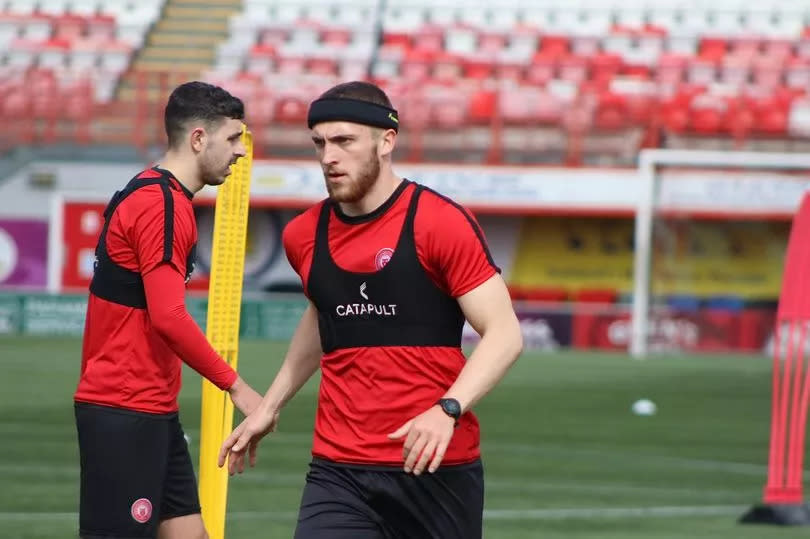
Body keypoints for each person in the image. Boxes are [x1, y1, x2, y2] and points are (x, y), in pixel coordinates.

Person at [218, 80, 523, 539]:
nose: (328, 157)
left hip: (434, 468)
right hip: (338, 469)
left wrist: (447, 409)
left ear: (386, 141)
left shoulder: (439, 222)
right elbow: (324, 316)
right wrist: (269, 405)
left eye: (344, 141)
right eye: (319, 143)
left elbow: (504, 334)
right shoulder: (303, 235)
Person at [74, 81, 262, 539]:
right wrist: (238, 388)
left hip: (151, 407)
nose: (241, 151)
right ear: (199, 139)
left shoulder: (149, 191)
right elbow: (168, 317)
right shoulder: (162, 207)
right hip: (125, 407)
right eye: (233, 138)